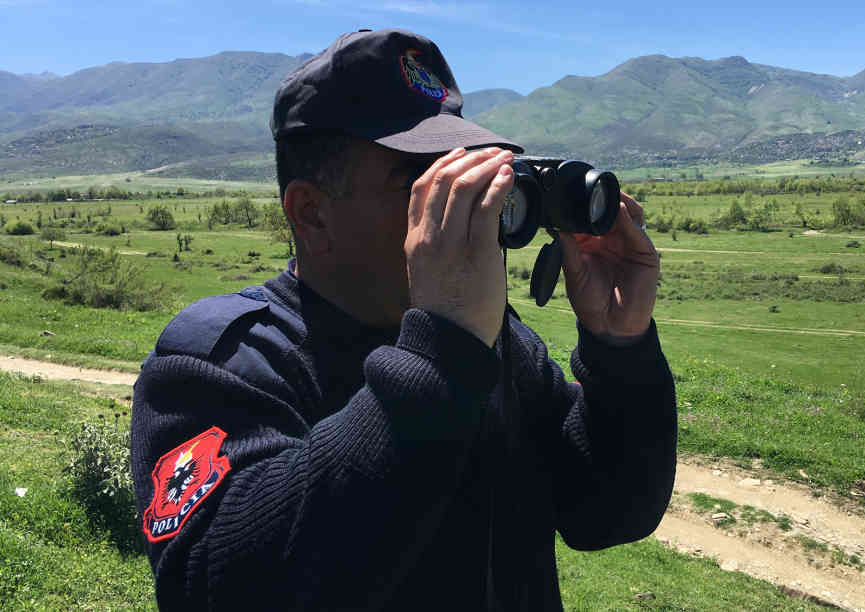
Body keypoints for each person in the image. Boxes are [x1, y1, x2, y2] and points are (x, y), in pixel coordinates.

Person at [130, 28, 676, 611]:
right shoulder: (219, 368)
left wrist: (620, 349)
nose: (465, 203)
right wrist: (438, 359)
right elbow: (215, 587)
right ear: (311, 214)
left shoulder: (495, 341)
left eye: (464, 170)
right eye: (423, 180)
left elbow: (607, 512)